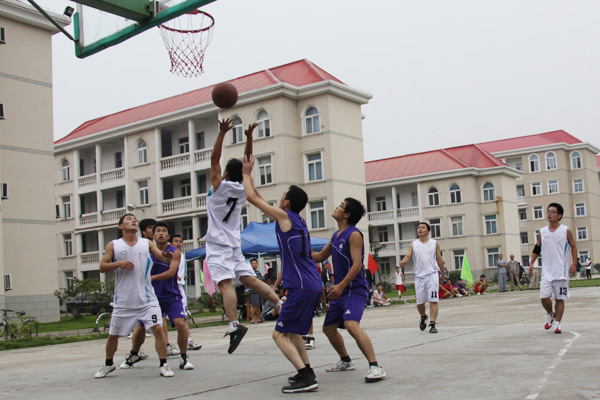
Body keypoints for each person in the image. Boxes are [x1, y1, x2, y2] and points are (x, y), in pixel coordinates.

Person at [242, 157, 322, 393]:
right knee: (293, 331)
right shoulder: (297, 220)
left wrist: (245, 175)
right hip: (310, 284)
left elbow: (252, 199)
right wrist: (251, 180)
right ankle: (307, 370)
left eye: (283, 195)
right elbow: (258, 198)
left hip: (301, 286)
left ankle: (306, 377)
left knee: (279, 335)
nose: (280, 198)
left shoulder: (285, 218)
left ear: (286, 202)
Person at [204, 119, 283, 354]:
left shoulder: (219, 187)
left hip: (218, 245)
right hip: (234, 245)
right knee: (252, 280)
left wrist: (221, 133)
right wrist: (248, 138)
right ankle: (282, 305)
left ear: (226, 173)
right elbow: (248, 163)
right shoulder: (242, 191)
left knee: (225, 284)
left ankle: (234, 326)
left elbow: (214, 159)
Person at [312, 197, 387, 383]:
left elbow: (356, 265)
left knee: (351, 325)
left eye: (341, 206)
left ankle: (376, 367)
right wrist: (300, 250)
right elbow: (320, 256)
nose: (336, 207)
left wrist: (340, 285)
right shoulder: (335, 236)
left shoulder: (354, 235)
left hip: (355, 289)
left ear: (346, 214)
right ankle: (346, 361)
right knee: (328, 328)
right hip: (342, 290)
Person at [94, 214, 174, 379]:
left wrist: (167, 258)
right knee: (113, 334)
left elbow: (163, 258)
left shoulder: (146, 243)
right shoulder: (114, 245)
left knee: (158, 328)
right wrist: (119, 263)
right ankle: (108, 364)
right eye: (129, 219)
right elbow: (102, 266)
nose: (133, 221)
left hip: (147, 298)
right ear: (121, 226)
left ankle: (163, 364)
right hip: (124, 300)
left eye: (135, 219)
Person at [529, 203, 577, 334]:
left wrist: (574, 264)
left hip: (561, 271)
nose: (549, 214)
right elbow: (537, 248)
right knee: (544, 297)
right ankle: (550, 314)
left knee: (559, 298)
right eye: (548, 211)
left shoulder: (565, 230)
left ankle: (558, 323)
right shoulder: (542, 232)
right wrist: (532, 262)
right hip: (547, 271)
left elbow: (573, 247)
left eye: (552, 212)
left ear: (559, 215)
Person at [399, 222, 445, 334]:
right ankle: (423, 316)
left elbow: (439, 259)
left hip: (432, 274)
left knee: (433, 300)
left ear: (428, 231)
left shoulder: (434, 243)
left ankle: (432, 324)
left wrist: (443, 274)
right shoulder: (413, 244)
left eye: (423, 228)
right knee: (420, 303)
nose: (420, 229)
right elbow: (408, 256)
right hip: (419, 276)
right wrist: (403, 261)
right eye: (419, 228)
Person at [170, 234, 202, 351]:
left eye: (180, 241)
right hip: (169, 287)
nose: (178, 243)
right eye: (176, 241)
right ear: (171, 243)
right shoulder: (168, 255)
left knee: (183, 316)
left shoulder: (182, 255)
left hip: (179, 287)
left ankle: (188, 339)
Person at [248, 258, 265, 324]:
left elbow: (261, 280)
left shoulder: (258, 272)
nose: (254, 265)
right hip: (253, 290)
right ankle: (252, 319)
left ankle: (258, 318)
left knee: (258, 305)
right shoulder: (250, 272)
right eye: (253, 263)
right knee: (253, 305)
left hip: (259, 290)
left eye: (255, 263)